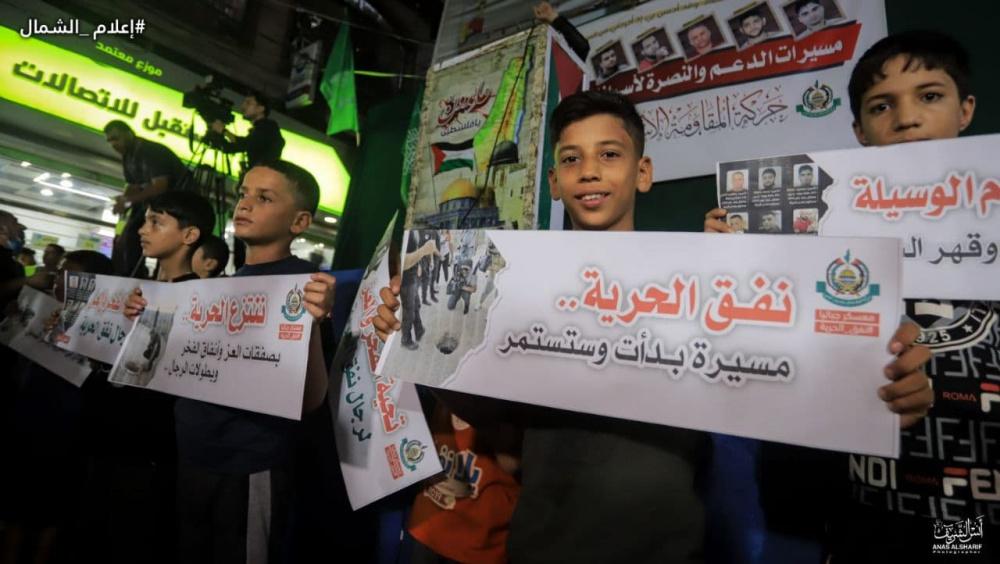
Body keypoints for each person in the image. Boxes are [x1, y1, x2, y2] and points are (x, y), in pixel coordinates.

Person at [379, 92, 707, 563]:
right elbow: (504, 435)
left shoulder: (693, 282)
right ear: (554, 181)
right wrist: (419, 349)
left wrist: (734, 278)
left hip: (664, 546)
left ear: (643, 172)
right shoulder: (518, 287)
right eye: (572, 159)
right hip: (543, 539)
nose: (589, 171)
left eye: (609, 155)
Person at [709, 30, 985, 562]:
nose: (907, 119)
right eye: (882, 106)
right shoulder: (820, 232)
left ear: (965, 109)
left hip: (969, 515)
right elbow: (769, 355)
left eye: (930, 96)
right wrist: (723, 271)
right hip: (853, 516)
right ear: (859, 129)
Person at [126, 161, 335, 562]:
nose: (245, 204)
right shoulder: (221, 289)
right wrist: (142, 320)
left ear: (299, 221)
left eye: (264, 197)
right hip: (193, 452)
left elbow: (311, 399)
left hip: (248, 461)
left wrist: (313, 323)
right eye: (243, 193)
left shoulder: (306, 288)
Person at [78, 192, 213, 564]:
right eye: (145, 220)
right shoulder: (134, 290)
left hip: (151, 450)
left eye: (156, 222)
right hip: (107, 438)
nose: (142, 229)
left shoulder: (202, 301)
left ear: (189, 235)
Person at [2, 250, 112, 564]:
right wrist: (14, 320)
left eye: (69, 273)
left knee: (52, 506)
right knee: (16, 502)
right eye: (60, 271)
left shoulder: (103, 326)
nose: (58, 278)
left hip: (65, 431)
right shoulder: (39, 308)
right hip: (24, 419)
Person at [104, 120, 192, 277]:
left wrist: (128, 201)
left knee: (136, 235)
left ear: (129, 133)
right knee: (127, 236)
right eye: (110, 141)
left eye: (116, 138)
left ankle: (139, 276)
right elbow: (133, 185)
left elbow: (160, 187)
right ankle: (131, 275)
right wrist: (124, 200)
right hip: (153, 205)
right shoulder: (128, 156)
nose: (113, 144)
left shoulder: (150, 151)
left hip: (175, 205)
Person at [210, 92, 285, 171]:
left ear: (261, 108)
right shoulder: (261, 129)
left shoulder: (268, 126)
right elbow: (231, 147)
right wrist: (218, 134)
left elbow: (245, 144)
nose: (243, 106)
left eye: (248, 103)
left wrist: (223, 131)